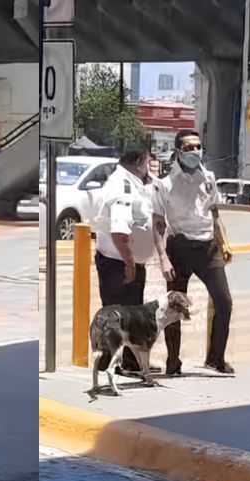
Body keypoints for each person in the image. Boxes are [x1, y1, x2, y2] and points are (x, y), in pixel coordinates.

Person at [152, 130, 235, 375]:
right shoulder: (164, 184)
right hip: (179, 248)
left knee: (224, 302)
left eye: (198, 146)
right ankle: (173, 361)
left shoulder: (209, 178)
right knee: (174, 308)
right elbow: (158, 224)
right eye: (189, 148)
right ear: (178, 151)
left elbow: (214, 213)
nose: (195, 152)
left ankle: (216, 358)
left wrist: (224, 242)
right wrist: (163, 259)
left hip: (208, 248)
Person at [92, 150, 156, 374]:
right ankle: (111, 365)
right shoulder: (122, 186)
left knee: (130, 316)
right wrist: (129, 263)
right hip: (119, 263)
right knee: (117, 317)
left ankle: (130, 361)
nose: (150, 165)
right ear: (139, 161)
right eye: (148, 160)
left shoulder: (131, 182)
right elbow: (119, 231)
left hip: (125, 260)